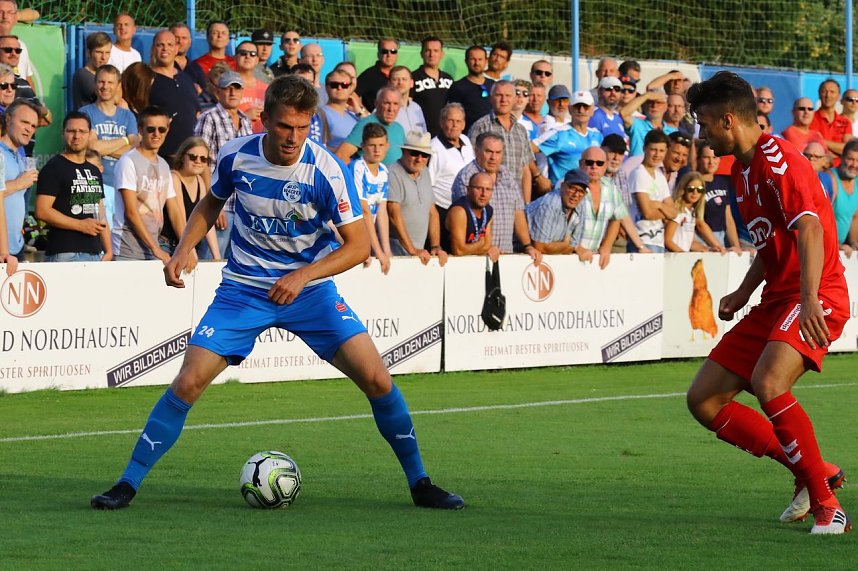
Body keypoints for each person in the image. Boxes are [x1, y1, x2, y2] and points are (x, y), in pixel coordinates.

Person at [90, 75, 465, 512]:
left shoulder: (327, 170)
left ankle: (420, 483)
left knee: (378, 379)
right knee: (188, 380)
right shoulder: (235, 155)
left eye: (303, 128)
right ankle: (127, 484)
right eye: (285, 126)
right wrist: (185, 247)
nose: (293, 137)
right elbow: (211, 203)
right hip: (243, 292)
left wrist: (303, 276)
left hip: (311, 294)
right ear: (264, 119)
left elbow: (359, 245)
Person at [686, 70, 850, 535]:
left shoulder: (781, 160)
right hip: (778, 297)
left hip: (815, 293)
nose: (700, 135)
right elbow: (773, 241)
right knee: (704, 400)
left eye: (702, 123)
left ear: (729, 120)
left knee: (769, 382)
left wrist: (809, 299)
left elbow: (810, 230)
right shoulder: (741, 170)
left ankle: (827, 505)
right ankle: (813, 472)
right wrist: (742, 292)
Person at [112, 106, 188, 263]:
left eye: (162, 129)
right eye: (151, 129)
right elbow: (131, 212)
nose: (157, 134)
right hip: (128, 249)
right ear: (140, 129)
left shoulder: (164, 165)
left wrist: (187, 247)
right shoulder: (128, 161)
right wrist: (156, 249)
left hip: (153, 248)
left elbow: (174, 210)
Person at [451, 132, 542, 263]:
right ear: (477, 151)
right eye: (488, 151)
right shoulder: (466, 178)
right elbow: (468, 218)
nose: (493, 157)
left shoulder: (507, 175)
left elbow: (518, 213)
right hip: (477, 257)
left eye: (498, 152)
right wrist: (485, 246)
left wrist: (527, 246)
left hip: (506, 253)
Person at [35, 111, 111, 261]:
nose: (77, 136)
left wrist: (108, 250)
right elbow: (42, 211)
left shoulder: (94, 170)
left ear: (90, 135)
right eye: (71, 131)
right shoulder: (54, 167)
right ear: (63, 134)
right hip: (64, 252)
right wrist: (80, 225)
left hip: (95, 252)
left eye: (82, 131)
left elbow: (100, 211)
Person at [194, 70, 252, 260]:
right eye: (228, 88)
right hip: (221, 202)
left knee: (235, 261)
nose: (233, 92)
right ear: (218, 92)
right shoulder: (208, 118)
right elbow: (199, 161)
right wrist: (213, 202)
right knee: (210, 259)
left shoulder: (246, 121)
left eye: (237, 88)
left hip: (243, 204)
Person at [387, 131, 447, 265]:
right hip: (395, 251)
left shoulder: (424, 172)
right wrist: (412, 249)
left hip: (419, 251)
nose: (419, 158)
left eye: (424, 155)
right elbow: (393, 215)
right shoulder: (392, 172)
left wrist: (435, 246)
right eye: (414, 153)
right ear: (404, 152)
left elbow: (432, 212)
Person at [469, 79, 535, 201]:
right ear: (491, 98)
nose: (503, 100)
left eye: (508, 95)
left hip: (516, 201)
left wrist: (526, 203)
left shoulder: (521, 130)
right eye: (499, 95)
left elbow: (525, 170)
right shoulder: (481, 127)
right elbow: (472, 165)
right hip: (489, 199)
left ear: (514, 99)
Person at [147, 30, 201, 160]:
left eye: (170, 44)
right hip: (160, 156)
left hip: (188, 157)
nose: (165, 48)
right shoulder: (146, 78)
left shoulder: (186, 78)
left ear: (176, 49)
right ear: (153, 48)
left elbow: (196, 112)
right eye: (160, 45)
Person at [532, 90, 602, 186]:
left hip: (589, 193)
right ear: (570, 109)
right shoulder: (559, 134)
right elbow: (526, 149)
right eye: (577, 106)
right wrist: (538, 176)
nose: (581, 110)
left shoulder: (597, 135)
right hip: (562, 193)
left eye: (585, 107)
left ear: (592, 110)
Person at [427, 103, 474, 241]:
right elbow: (428, 184)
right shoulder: (433, 148)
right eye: (450, 120)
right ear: (442, 123)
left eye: (458, 121)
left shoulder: (466, 141)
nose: (454, 125)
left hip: (467, 210)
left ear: (464, 125)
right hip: (444, 211)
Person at [349, 122, 391, 273]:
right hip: (346, 232)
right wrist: (375, 250)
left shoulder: (384, 171)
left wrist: (386, 251)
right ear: (363, 146)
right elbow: (364, 211)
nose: (377, 150)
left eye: (381, 145)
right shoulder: (357, 168)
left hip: (364, 234)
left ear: (387, 145)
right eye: (372, 145)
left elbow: (382, 211)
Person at [169, 136, 220, 260]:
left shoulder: (199, 181)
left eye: (203, 159)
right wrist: (188, 251)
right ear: (182, 156)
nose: (198, 161)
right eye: (193, 157)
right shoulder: (174, 178)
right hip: (170, 245)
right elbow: (179, 217)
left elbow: (206, 219)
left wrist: (217, 257)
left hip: (187, 245)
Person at [0, 98, 38, 260]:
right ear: (8, 119)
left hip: (15, 246)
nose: (29, 129)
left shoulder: (19, 157)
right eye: (24, 122)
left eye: (33, 126)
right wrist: (17, 184)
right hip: (3, 252)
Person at [628, 129, 676, 252]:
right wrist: (665, 211)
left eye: (661, 151)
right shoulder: (639, 173)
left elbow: (674, 213)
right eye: (653, 149)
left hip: (659, 241)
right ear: (645, 149)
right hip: (642, 241)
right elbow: (647, 213)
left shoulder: (660, 176)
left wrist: (659, 205)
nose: (657, 155)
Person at [525, 167, 589, 259]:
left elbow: (575, 243)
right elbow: (540, 247)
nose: (576, 195)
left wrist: (571, 246)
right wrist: (569, 246)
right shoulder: (550, 204)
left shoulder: (581, 202)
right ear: (562, 186)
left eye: (581, 191)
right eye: (572, 188)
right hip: (515, 250)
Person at [336, 86, 405, 167]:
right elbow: (341, 155)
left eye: (395, 104)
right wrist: (357, 175)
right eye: (386, 103)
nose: (391, 108)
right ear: (376, 104)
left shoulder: (399, 128)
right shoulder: (367, 125)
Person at [696, 140, 741, 250]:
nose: (711, 162)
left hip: (720, 240)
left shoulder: (722, 182)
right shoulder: (694, 183)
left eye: (715, 157)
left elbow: (728, 217)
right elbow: (698, 222)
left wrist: (736, 247)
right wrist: (718, 247)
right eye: (706, 157)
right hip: (702, 241)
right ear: (698, 159)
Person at [446, 171, 498, 260]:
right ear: (468, 189)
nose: (483, 194)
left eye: (488, 189)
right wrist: (481, 244)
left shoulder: (488, 210)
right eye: (478, 188)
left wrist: (483, 247)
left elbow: (487, 245)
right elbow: (458, 251)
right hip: (446, 266)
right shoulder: (459, 211)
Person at [446, 45, 494, 133]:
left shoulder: (493, 85)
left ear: (486, 61)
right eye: (473, 59)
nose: (477, 63)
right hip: (469, 136)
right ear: (466, 61)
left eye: (480, 59)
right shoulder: (457, 87)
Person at [411, 36, 453, 138]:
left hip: (445, 136)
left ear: (442, 54)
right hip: (420, 136)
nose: (431, 54)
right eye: (428, 50)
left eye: (435, 51)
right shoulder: (413, 77)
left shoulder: (448, 79)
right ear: (421, 53)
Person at [665, 171, 715, 253]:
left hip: (683, 256)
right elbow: (668, 240)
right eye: (691, 189)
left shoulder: (691, 212)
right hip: (674, 257)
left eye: (699, 190)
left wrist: (709, 249)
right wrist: (683, 254)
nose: (695, 193)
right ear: (683, 189)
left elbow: (690, 243)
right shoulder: (677, 210)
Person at [827, 139, 858, 255]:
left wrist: (853, 243)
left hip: (842, 248)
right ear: (842, 157)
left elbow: (855, 216)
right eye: (850, 159)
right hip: (825, 247)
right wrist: (837, 245)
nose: (854, 165)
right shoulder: (829, 178)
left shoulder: (857, 182)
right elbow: (820, 220)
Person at [810, 79, 852, 162]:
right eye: (824, 91)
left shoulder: (845, 122)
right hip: (818, 168)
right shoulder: (810, 118)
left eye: (832, 92)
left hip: (840, 170)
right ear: (819, 94)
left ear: (839, 96)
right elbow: (813, 149)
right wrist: (839, 150)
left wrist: (822, 141)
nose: (828, 95)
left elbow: (848, 149)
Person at [72, 32, 112, 110]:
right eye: (99, 52)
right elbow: (109, 98)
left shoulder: (106, 75)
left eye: (107, 53)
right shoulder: (82, 74)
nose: (104, 57)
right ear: (89, 53)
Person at [233, 40, 267, 133]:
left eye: (252, 54)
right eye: (243, 53)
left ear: (257, 60)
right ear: (235, 58)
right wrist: (244, 116)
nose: (247, 56)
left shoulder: (266, 89)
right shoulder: (228, 87)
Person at [357, 38, 399, 112]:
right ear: (378, 54)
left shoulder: (401, 75)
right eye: (384, 51)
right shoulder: (369, 75)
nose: (389, 55)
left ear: (397, 54)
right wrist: (364, 113)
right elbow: (352, 95)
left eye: (393, 51)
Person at [389, 66, 426, 134]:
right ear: (389, 83)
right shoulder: (384, 110)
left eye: (404, 79)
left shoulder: (416, 108)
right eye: (395, 79)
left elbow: (424, 134)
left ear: (411, 83)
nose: (400, 82)